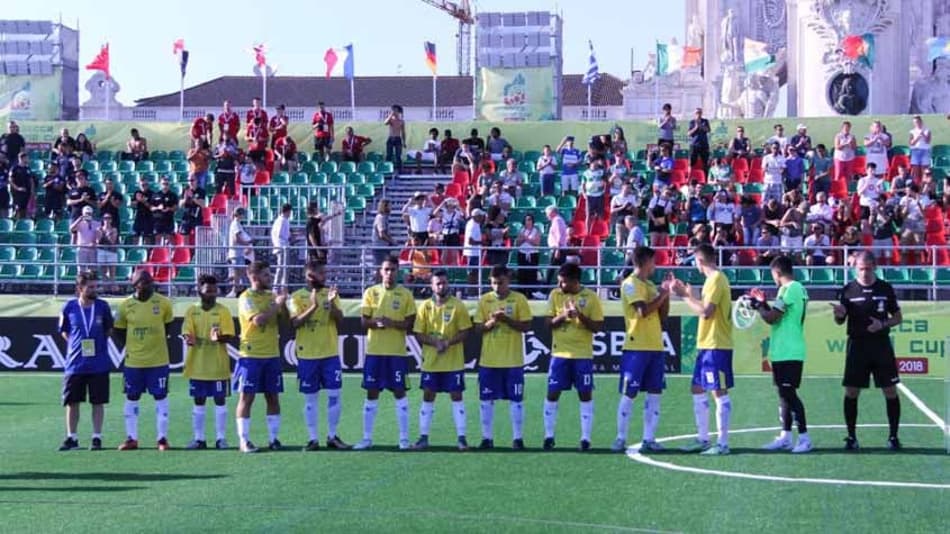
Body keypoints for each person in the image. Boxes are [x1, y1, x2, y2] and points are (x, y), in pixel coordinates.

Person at [831, 251, 903, 450]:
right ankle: (851, 437)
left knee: (890, 390)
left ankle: (893, 436)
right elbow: (839, 321)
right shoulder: (847, 290)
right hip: (857, 346)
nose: (864, 273)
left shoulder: (885, 288)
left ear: (875, 268)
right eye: (861, 269)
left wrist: (882, 324)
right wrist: (838, 315)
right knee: (852, 391)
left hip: (881, 346)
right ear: (855, 268)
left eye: (868, 269)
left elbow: (898, 318)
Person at [670, 243, 734, 455]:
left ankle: (722, 443)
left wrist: (685, 295)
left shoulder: (716, 279)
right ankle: (703, 439)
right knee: (697, 387)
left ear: (700, 260)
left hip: (716, 344)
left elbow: (706, 311)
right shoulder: (712, 280)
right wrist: (688, 295)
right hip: (706, 344)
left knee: (718, 391)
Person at [354, 256, 417, 450]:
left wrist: (392, 324)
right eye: (386, 269)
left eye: (393, 270)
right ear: (380, 271)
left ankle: (404, 439)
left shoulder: (405, 294)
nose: (389, 273)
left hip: (396, 353)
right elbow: (364, 322)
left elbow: (410, 323)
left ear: (398, 271)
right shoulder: (371, 292)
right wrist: (378, 323)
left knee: (400, 393)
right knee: (372, 393)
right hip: (375, 352)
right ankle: (366, 438)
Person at [613, 246, 672, 453]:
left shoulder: (650, 285)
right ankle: (620, 438)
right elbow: (642, 311)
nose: (655, 265)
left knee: (655, 392)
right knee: (629, 392)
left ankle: (650, 438)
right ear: (646, 262)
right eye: (653, 261)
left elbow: (662, 316)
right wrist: (662, 294)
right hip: (636, 346)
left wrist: (666, 294)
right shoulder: (630, 284)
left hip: (655, 346)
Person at [750, 255, 811, 453]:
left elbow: (771, 318)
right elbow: (777, 315)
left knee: (789, 394)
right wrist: (762, 303)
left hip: (789, 350)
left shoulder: (789, 289)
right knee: (783, 394)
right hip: (783, 350)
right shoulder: (793, 289)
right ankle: (785, 436)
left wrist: (759, 306)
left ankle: (804, 438)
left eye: (773, 275)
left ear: (777, 273)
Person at [288, 262, 351, 451]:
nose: (324, 276)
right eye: (320, 273)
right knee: (310, 398)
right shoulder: (297, 297)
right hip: (308, 355)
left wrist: (331, 304)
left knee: (334, 395)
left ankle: (332, 436)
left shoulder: (330, 293)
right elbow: (295, 323)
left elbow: (340, 319)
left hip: (330, 353)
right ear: (309, 276)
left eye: (325, 272)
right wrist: (314, 306)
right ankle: (312, 438)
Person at [542, 263, 604, 451]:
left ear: (575, 281)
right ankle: (548, 436)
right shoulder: (555, 295)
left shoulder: (591, 297)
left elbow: (597, 327)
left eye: (563, 282)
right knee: (552, 393)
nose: (560, 286)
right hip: (559, 353)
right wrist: (563, 315)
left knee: (585, 394)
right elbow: (547, 323)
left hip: (582, 355)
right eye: (559, 282)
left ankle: (585, 438)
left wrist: (580, 316)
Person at [113, 270, 174, 451]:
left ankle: (162, 439)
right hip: (134, 362)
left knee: (161, 397)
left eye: (150, 282)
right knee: (132, 397)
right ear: (135, 285)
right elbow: (119, 330)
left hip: (158, 361)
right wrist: (133, 346)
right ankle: (132, 438)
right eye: (144, 282)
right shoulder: (125, 305)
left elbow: (168, 327)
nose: (148, 285)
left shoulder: (163, 303)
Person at [411, 271, 473, 450]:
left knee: (457, 396)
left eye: (444, 283)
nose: (441, 286)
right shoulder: (424, 307)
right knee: (428, 395)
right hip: (431, 362)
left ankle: (462, 438)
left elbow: (465, 331)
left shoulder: (458, 306)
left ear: (448, 284)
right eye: (438, 283)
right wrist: (435, 342)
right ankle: (423, 437)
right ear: (432, 286)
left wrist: (448, 342)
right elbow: (418, 333)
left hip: (453, 362)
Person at [474, 265, 532, 449]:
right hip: (489, 360)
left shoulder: (519, 299)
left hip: (513, 360)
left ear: (508, 281)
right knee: (486, 400)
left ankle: (517, 438)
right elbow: (477, 328)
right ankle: (487, 438)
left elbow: (526, 326)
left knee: (516, 400)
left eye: (500, 283)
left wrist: (506, 320)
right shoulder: (485, 300)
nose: (497, 287)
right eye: (493, 283)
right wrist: (492, 322)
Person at [233, 261, 286, 453]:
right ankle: (244, 440)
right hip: (251, 355)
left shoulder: (271, 296)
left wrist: (284, 303)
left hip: (271, 354)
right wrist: (276, 304)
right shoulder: (246, 297)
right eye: (266, 275)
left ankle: (273, 439)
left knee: (273, 397)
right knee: (247, 397)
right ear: (254, 277)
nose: (270, 278)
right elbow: (259, 320)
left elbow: (284, 320)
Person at [58, 272, 114, 451]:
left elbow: (108, 330)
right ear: (79, 288)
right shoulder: (69, 307)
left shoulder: (103, 307)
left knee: (98, 402)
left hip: (99, 363)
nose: (94, 290)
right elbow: (65, 331)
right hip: (75, 364)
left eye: (95, 286)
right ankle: (71, 438)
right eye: (90, 287)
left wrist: (97, 345)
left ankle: (96, 437)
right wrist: (77, 346)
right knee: (72, 402)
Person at [182, 275, 235, 450]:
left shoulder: (223, 311)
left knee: (220, 401)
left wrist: (219, 337)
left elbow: (228, 336)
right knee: (199, 401)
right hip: (197, 365)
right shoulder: (192, 310)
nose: (212, 294)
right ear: (199, 291)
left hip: (218, 366)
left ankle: (221, 439)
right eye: (208, 291)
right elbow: (186, 333)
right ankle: (199, 439)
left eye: (214, 291)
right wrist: (188, 338)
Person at [227, 208, 253, 297]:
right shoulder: (235, 224)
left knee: (239, 273)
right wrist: (247, 243)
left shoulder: (237, 224)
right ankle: (236, 290)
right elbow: (236, 239)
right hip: (236, 253)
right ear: (239, 214)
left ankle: (237, 290)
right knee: (239, 273)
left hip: (238, 253)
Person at [515, 213, 541, 291]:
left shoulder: (536, 231)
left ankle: (531, 291)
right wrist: (523, 239)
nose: (528, 221)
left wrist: (526, 238)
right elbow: (517, 243)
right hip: (522, 254)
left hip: (533, 254)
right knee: (522, 273)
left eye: (530, 219)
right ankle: (522, 291)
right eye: (527, 219)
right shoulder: (521, 230)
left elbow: (536, 243)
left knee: (532, 273)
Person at [270, 204, 292, 293]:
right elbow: (280, 234)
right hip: (282, 247)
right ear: (287, 211)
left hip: (281, 246)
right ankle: (280, 288)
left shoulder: (281, 220)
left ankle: (280, 288)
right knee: (283, 268)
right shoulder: (282, 220)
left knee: (282, 268)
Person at [71, 206, 101, 274]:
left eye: (89, 213)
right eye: (86, 213)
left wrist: (94, 242)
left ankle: (92, 284)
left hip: (92, 249)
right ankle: (81, 284)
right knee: (81, 270)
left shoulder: (97, 224)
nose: (88, 215)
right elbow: (71, 229)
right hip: (82, 248)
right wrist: (79, 219)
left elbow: (99, 235)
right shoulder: (79, 223)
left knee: (93, 270)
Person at [151, 177, 179, 246]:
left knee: (170, 238)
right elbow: (151, 207)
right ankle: (158, 254)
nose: (165, 186)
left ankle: (172, 254)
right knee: (158, 238)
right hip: (158, 220)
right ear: (160, 184)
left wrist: (169, 209)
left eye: (167, 184)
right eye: (163, 184)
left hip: (169, 220)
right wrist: (158, 208)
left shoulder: (173, 195)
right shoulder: (155, 195)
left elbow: (176, 207)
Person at [130, 176, 154, 245]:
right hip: (139, 216)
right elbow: (132, 205)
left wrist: (144, 201)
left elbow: (152, 207)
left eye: (145, 185)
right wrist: (137, 200)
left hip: (148, 217)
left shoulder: (151, 194)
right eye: (142, 185)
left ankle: (147, 253)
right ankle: (134, 251)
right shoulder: (137, 193)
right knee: (135, 236)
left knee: (147, 237)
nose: (144, 186)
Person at [372, 199, 396, 267]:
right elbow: (382, 234)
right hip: (380, 247)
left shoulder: (384, 218)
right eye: (389, 206)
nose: (391, 208)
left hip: (384, 246)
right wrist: (392, 241)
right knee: (380, 268)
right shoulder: (381, 218)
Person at [908, 115, 931, 181]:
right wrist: (918, 137)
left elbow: (928, 141)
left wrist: (923, 134)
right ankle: (916, 188)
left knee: (924, 171)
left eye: (918, 122)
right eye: (915, 122)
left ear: (921, 122)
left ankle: (924, 186)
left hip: (925, 151)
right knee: (916, 171)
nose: (916, 123)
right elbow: (911, 143)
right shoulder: (912, 131)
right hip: (915, 151)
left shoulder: (927, 130)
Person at [384, 104, 406, 173]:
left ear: (398, 111)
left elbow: (403, 132)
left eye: (395, 110)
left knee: (398, 156)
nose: (394, 111)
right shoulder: (391, 119)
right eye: (393, 110)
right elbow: (385, 123)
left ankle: (400, 171)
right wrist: (391, 115)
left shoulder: (401, 121)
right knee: (389, 155)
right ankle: (387, 170)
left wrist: (404, 142)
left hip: (398, 139)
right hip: (391, 138)